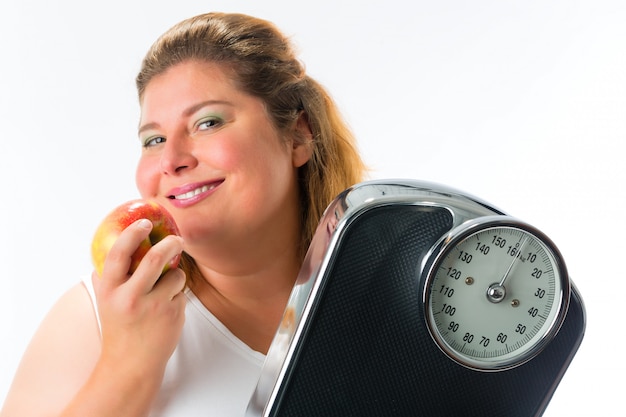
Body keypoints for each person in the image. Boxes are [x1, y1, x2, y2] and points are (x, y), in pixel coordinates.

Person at [0, 11, 366, 417]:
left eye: (207, 122)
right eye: (153, 139)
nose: (170, 160)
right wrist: (128, 366)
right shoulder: (94, 319)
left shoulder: (393, 296)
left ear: (299, 135)